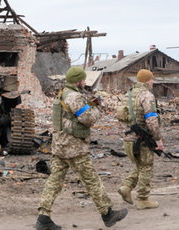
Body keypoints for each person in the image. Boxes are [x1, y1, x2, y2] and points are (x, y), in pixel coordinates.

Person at [35, 66, 128, 230]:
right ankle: (107, 214)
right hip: (74, 147)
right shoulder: (75, 96)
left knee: (54, 182)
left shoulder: (63, 93)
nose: (85, 82)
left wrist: (89, 104)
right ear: (77, 81)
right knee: (92, 180)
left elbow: (72, 114)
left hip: (60, 146)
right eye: (84, 79)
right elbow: (88, 119)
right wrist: (96, 109)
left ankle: (43, 217)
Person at [117, 69, 164, 210]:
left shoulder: (129, 94)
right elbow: (151, 120)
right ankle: (143, 199)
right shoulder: (146, 95)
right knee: (147, 167)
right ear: (147, 80)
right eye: (152, 79)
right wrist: (158, 140)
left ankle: (126, 187)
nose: (153, 82)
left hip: (128, 139)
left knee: (140, 166)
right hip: (141, 139)